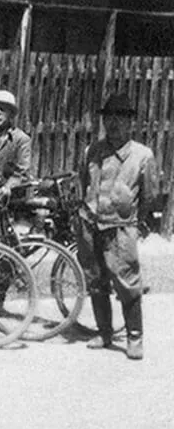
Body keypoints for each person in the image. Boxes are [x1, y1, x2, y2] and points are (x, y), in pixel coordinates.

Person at [76, 92, 160, 360]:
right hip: (90, 224)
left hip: (121, 227)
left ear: (130, 123)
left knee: (127, 281)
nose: (113, 123)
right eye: (109, 118)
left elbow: (150, 196)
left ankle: (135, 336)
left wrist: (135, 219)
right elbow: (82, 182)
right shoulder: (93, 151)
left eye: (120, 118)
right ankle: (105, 332)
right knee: (95, 279)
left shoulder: (142, 156)